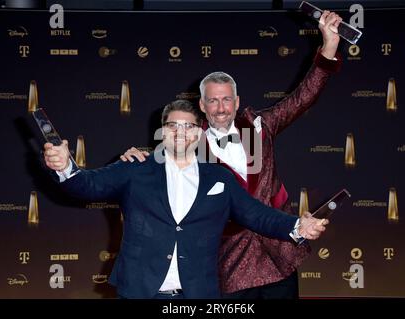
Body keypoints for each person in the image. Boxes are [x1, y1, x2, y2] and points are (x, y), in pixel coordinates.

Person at [120, 11, 343, 299]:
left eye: (226, 99)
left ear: (237, 102)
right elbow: (158, 160)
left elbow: (304, 97)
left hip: (279, 255)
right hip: (229, 263)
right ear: (202, 104)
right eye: (213, 100)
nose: (221, 107)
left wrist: (329, 46)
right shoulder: (189, 142)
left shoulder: (260, 125)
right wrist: (135, 155)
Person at [43, 100, 328, 299]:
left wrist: (296, 226)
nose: (180, 133)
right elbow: (88, 186)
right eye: (172, 126)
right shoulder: (134, 168)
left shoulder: (220, 178)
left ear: (198, 132)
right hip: (141, 292)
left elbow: (257, 215)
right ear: (162, 131)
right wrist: (65, 166)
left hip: (198, 294)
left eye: (188, 127)